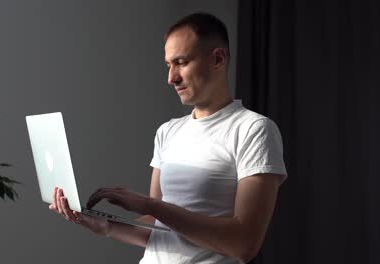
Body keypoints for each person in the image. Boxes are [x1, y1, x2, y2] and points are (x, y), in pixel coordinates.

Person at [49, 12, 287, 264]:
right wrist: (103, 225)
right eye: (168, 64)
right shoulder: (168, 131)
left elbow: (244, 244)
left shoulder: (254, 129)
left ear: (217, 59)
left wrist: (150, 205)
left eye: (182, 62)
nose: (171, 77)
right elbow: (156, 226)